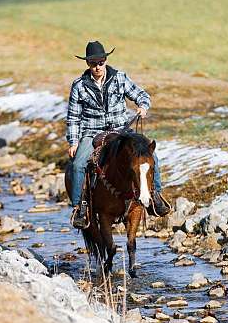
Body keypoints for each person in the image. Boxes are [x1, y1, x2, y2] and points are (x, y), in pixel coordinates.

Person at [66, 41, 170, 229]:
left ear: (105, 60)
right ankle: (79, 208)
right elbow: (73, 117)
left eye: (100, 62)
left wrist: (142, 106)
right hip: (92, 133)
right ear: (87, 64)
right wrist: (73, 142)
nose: (97, 67)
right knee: (78, 164)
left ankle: (155, 196)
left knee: (151, 155)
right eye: (93, 63)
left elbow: (142, 95)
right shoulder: (79, 85)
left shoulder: (120, 78)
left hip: (122, 130)